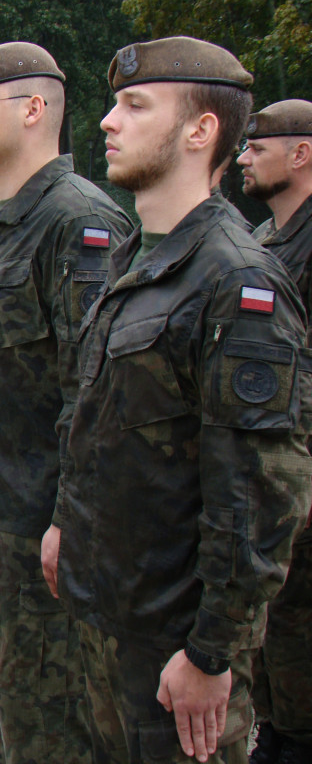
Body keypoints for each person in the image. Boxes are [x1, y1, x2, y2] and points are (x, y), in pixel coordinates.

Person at [43, 37, 311, 764]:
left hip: (175, 645)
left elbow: (260, 491)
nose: (107, 121)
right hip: (110, 613)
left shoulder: (236, 281)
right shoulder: (136, 256)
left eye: (134, 106)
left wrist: (213, 653)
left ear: (201, 131)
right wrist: (66, 518)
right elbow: (95, 413)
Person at [0, 42, 131, 763]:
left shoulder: (78, 223)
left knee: (48, 732)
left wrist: (66, 519)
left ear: (35, 109)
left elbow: (93, 391)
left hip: (36, 535)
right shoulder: (1, 222)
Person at [236, 99, 312, 764]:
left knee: (301, 628)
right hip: (269, 474)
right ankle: (278, 729)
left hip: (303, 471)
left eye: (258, 148)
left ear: (302, 153)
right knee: (272, 623)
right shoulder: (262, 241)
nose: (242, 159)